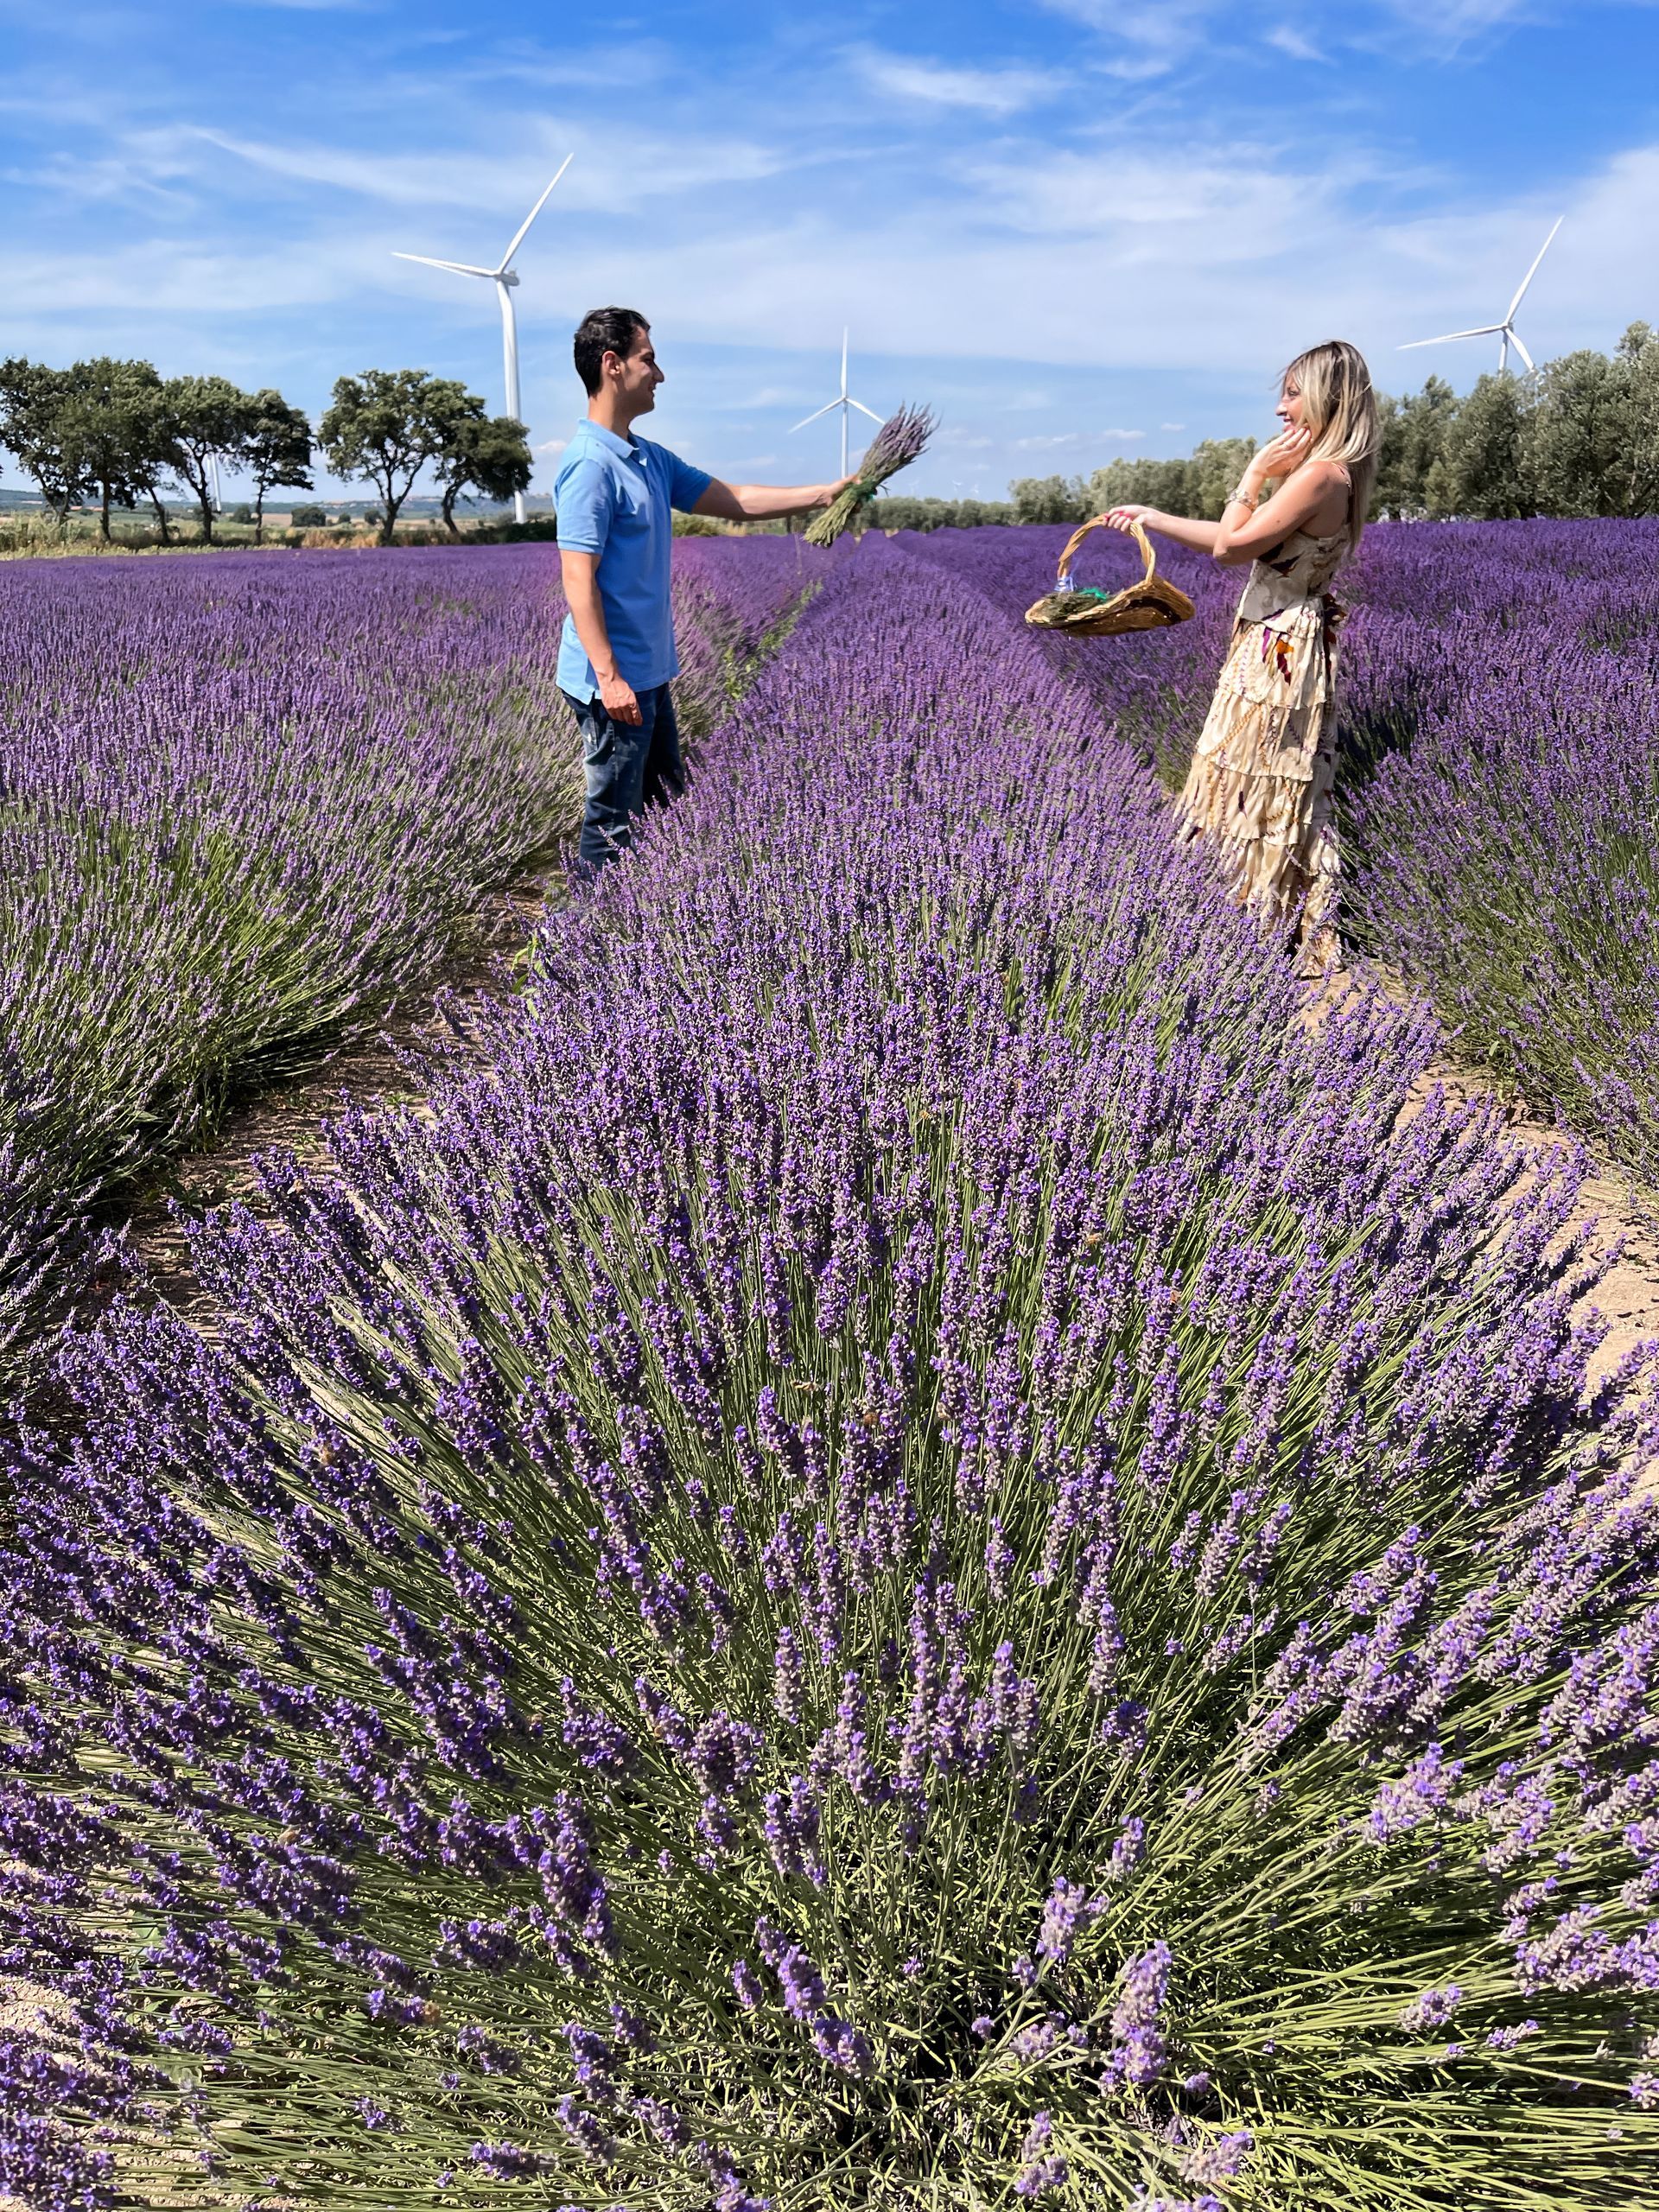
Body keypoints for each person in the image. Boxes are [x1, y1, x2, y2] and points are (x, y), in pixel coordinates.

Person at [1099, 340, 1378, 976]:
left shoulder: (1318, 474)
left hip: (1277, 647)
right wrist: (1156, 518)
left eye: (1291, 393)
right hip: (1283, 641)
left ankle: (1254, 922)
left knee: (1254, 772)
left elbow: (1231, 548)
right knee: (1265, 774)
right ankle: (1254, 911)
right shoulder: (1340, 471)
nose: (1280, 409)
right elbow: (1245, 542)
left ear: (1326, 398)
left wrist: (1251, 476)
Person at [555, 307, 853, 872]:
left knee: (665, 806)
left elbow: (732, 498)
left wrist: (825, 495)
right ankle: (581, 942)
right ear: (612, 365)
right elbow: (577, 578)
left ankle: (648, 920)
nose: (660, 374)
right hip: (613, 680)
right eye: (650, 359)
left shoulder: (648, 458)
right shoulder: (591, 464)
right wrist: (610, 678)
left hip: (648, 671)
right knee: (613, 820)